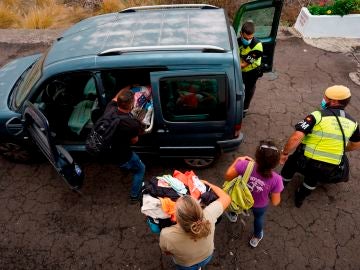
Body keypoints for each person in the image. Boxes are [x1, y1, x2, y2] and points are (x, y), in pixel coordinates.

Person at [280, 85, 360, 208]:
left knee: (289, 167)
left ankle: (279, 188)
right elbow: (356, 144)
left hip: (306, 158)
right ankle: (300, 198)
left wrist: (284, 153)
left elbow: (296, 137)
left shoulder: (318, 115)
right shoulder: (353, 123)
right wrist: (341, 149)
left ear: (333, 101)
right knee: (312, 180)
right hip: (330, 164)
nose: (323, 99)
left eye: (326, 97)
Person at [224, 140, 283, 248]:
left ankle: (233, 215)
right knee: (258, 218)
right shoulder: (277, 180)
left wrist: (237, 159)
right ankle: (256, 237)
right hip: (259, 205)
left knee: (236, 204)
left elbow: (228, 176)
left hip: (240, 197)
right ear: (276, 162)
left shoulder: (244, 165)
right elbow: (275, 202)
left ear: (257, 156)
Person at [159, 181, 231, 270]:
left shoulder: (166, 234)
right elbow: (226, 197)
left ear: (177, 218)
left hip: (186, 265)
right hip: (207, 256)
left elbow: (167, 252)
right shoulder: (209, 214)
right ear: (199, 207)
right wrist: (208, 183)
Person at [104, 85, 145, 203]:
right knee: (140, 169)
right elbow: (134, 141)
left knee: (123, 164)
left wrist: (127, 87)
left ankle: (125, 169)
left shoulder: (110, 108)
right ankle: (134, 196)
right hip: (125, 155)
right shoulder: (131, 124)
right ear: (131, 104)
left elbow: (116, 97)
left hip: (112, 150)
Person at [238, 21, 263, 116]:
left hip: (252, 71)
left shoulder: (257, 46)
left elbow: (244, 64)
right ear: (241, 33)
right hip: (240, 70)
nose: (248, 40)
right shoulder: (237, 41)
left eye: (250, 38)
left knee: (249, 90)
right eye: (245, 38)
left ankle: (244, 109)